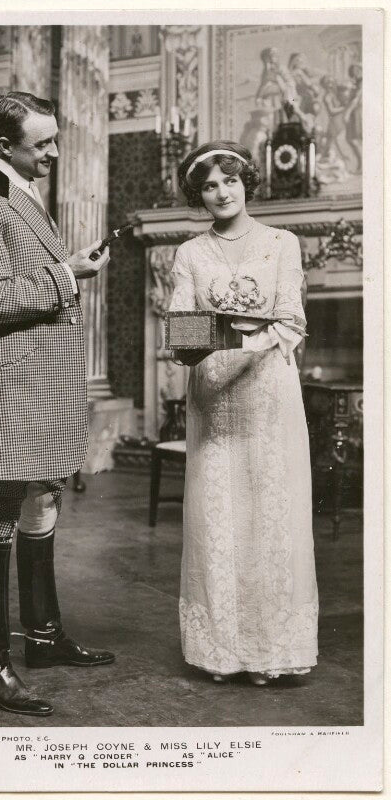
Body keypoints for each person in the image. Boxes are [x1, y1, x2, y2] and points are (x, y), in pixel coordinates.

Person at [0, 92, 114, 716]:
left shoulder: (24, 195)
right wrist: (69, 273)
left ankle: (42, 637)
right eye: (43, 143)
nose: (55, 152)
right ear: (4, 146)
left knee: (44, 495)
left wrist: (67, 269)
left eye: (56, 139)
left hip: (41, 379)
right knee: (0, 509)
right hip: (9, 382)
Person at [168, 140, 318, 686]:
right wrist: (215, 339)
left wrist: (239, 338)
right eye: (208, 185)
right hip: (213, 396)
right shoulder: (188, 252)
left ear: (245, 182)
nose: (220, 192)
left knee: (269, 514)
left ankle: (271, 652)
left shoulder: (282, 243)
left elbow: (291, 322)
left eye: (228, 180)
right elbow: (183, 325)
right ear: (198, 194)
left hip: (267, 390)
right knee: (218, 518)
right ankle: (222, 651)